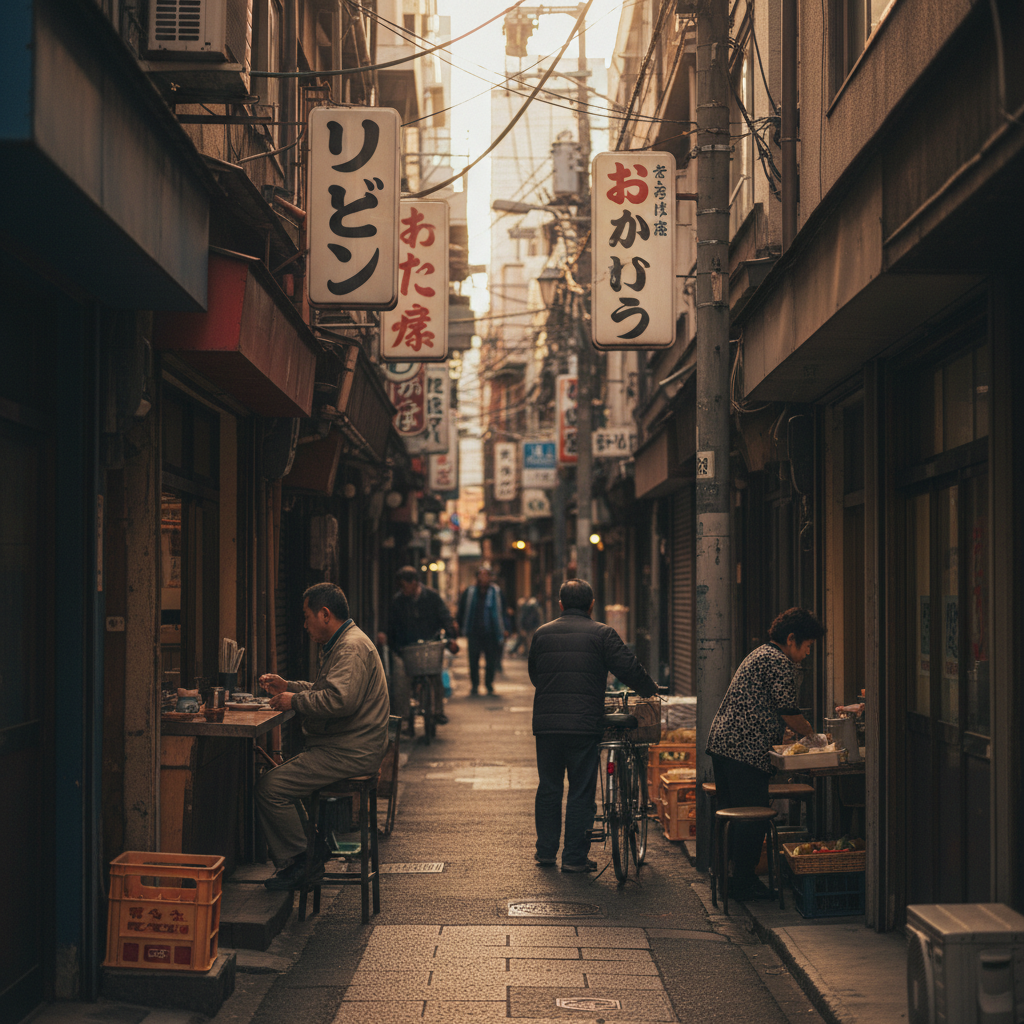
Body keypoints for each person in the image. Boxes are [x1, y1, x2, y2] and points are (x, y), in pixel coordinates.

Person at [255, 582, 390, 891]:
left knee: (271, 787)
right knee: (282, 782)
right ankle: (311, 851)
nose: (305, 625)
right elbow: (325, 690)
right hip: (346, 746)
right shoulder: (344, 643)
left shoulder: (351, 647)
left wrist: (294, 701)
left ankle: (305, 861)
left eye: (307, 617)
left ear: (325, 614)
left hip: (350, 751)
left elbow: (339, 701)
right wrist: (288, 686)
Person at [528, 578, 657, 872]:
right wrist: (649, 689)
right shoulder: (602, 634)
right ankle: (574, 858)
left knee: (548, 787)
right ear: (592, 605)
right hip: (584, 725)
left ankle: (545, 852)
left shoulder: (542, 634)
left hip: (547, 725)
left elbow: (536, 675)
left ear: (560, 604)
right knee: (581, 790)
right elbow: (628, 668)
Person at [705, 607, 826, 901]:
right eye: (808, 645)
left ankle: (728, 877)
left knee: (736, 815)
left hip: (725, 745)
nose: (808, 653)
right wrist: (815, 738)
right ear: (792, 638)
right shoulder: (778, 661)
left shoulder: (761, 654)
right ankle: (743, 882)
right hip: (744, 750)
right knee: (752, 818)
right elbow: (789, 711)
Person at [378, 566, 459, 727]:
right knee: (401, 681)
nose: (403, 590)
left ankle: (437, 711)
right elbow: (391, 624)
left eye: (404, 585)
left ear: (414, 582)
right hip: (405, 647)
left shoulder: (432, 597)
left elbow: (445, 617)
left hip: (429, 644)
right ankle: (403, 718)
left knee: (435, 676)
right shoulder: (398, 601)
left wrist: (450, 638)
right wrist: (387, 637)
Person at [456, 565, 507, 696]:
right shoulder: (470, 592)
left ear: (490, 577)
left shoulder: (496, 592)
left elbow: (503, 611)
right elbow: (462, 610)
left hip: (491, 632)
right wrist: (458, 627)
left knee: (491, 660)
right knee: (473, 661)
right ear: (477, 577)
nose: (483, 578)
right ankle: (475, 685)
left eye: (486, 575)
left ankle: (489, 684)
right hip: (474, 632)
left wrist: (506, 628)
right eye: (481, 575)